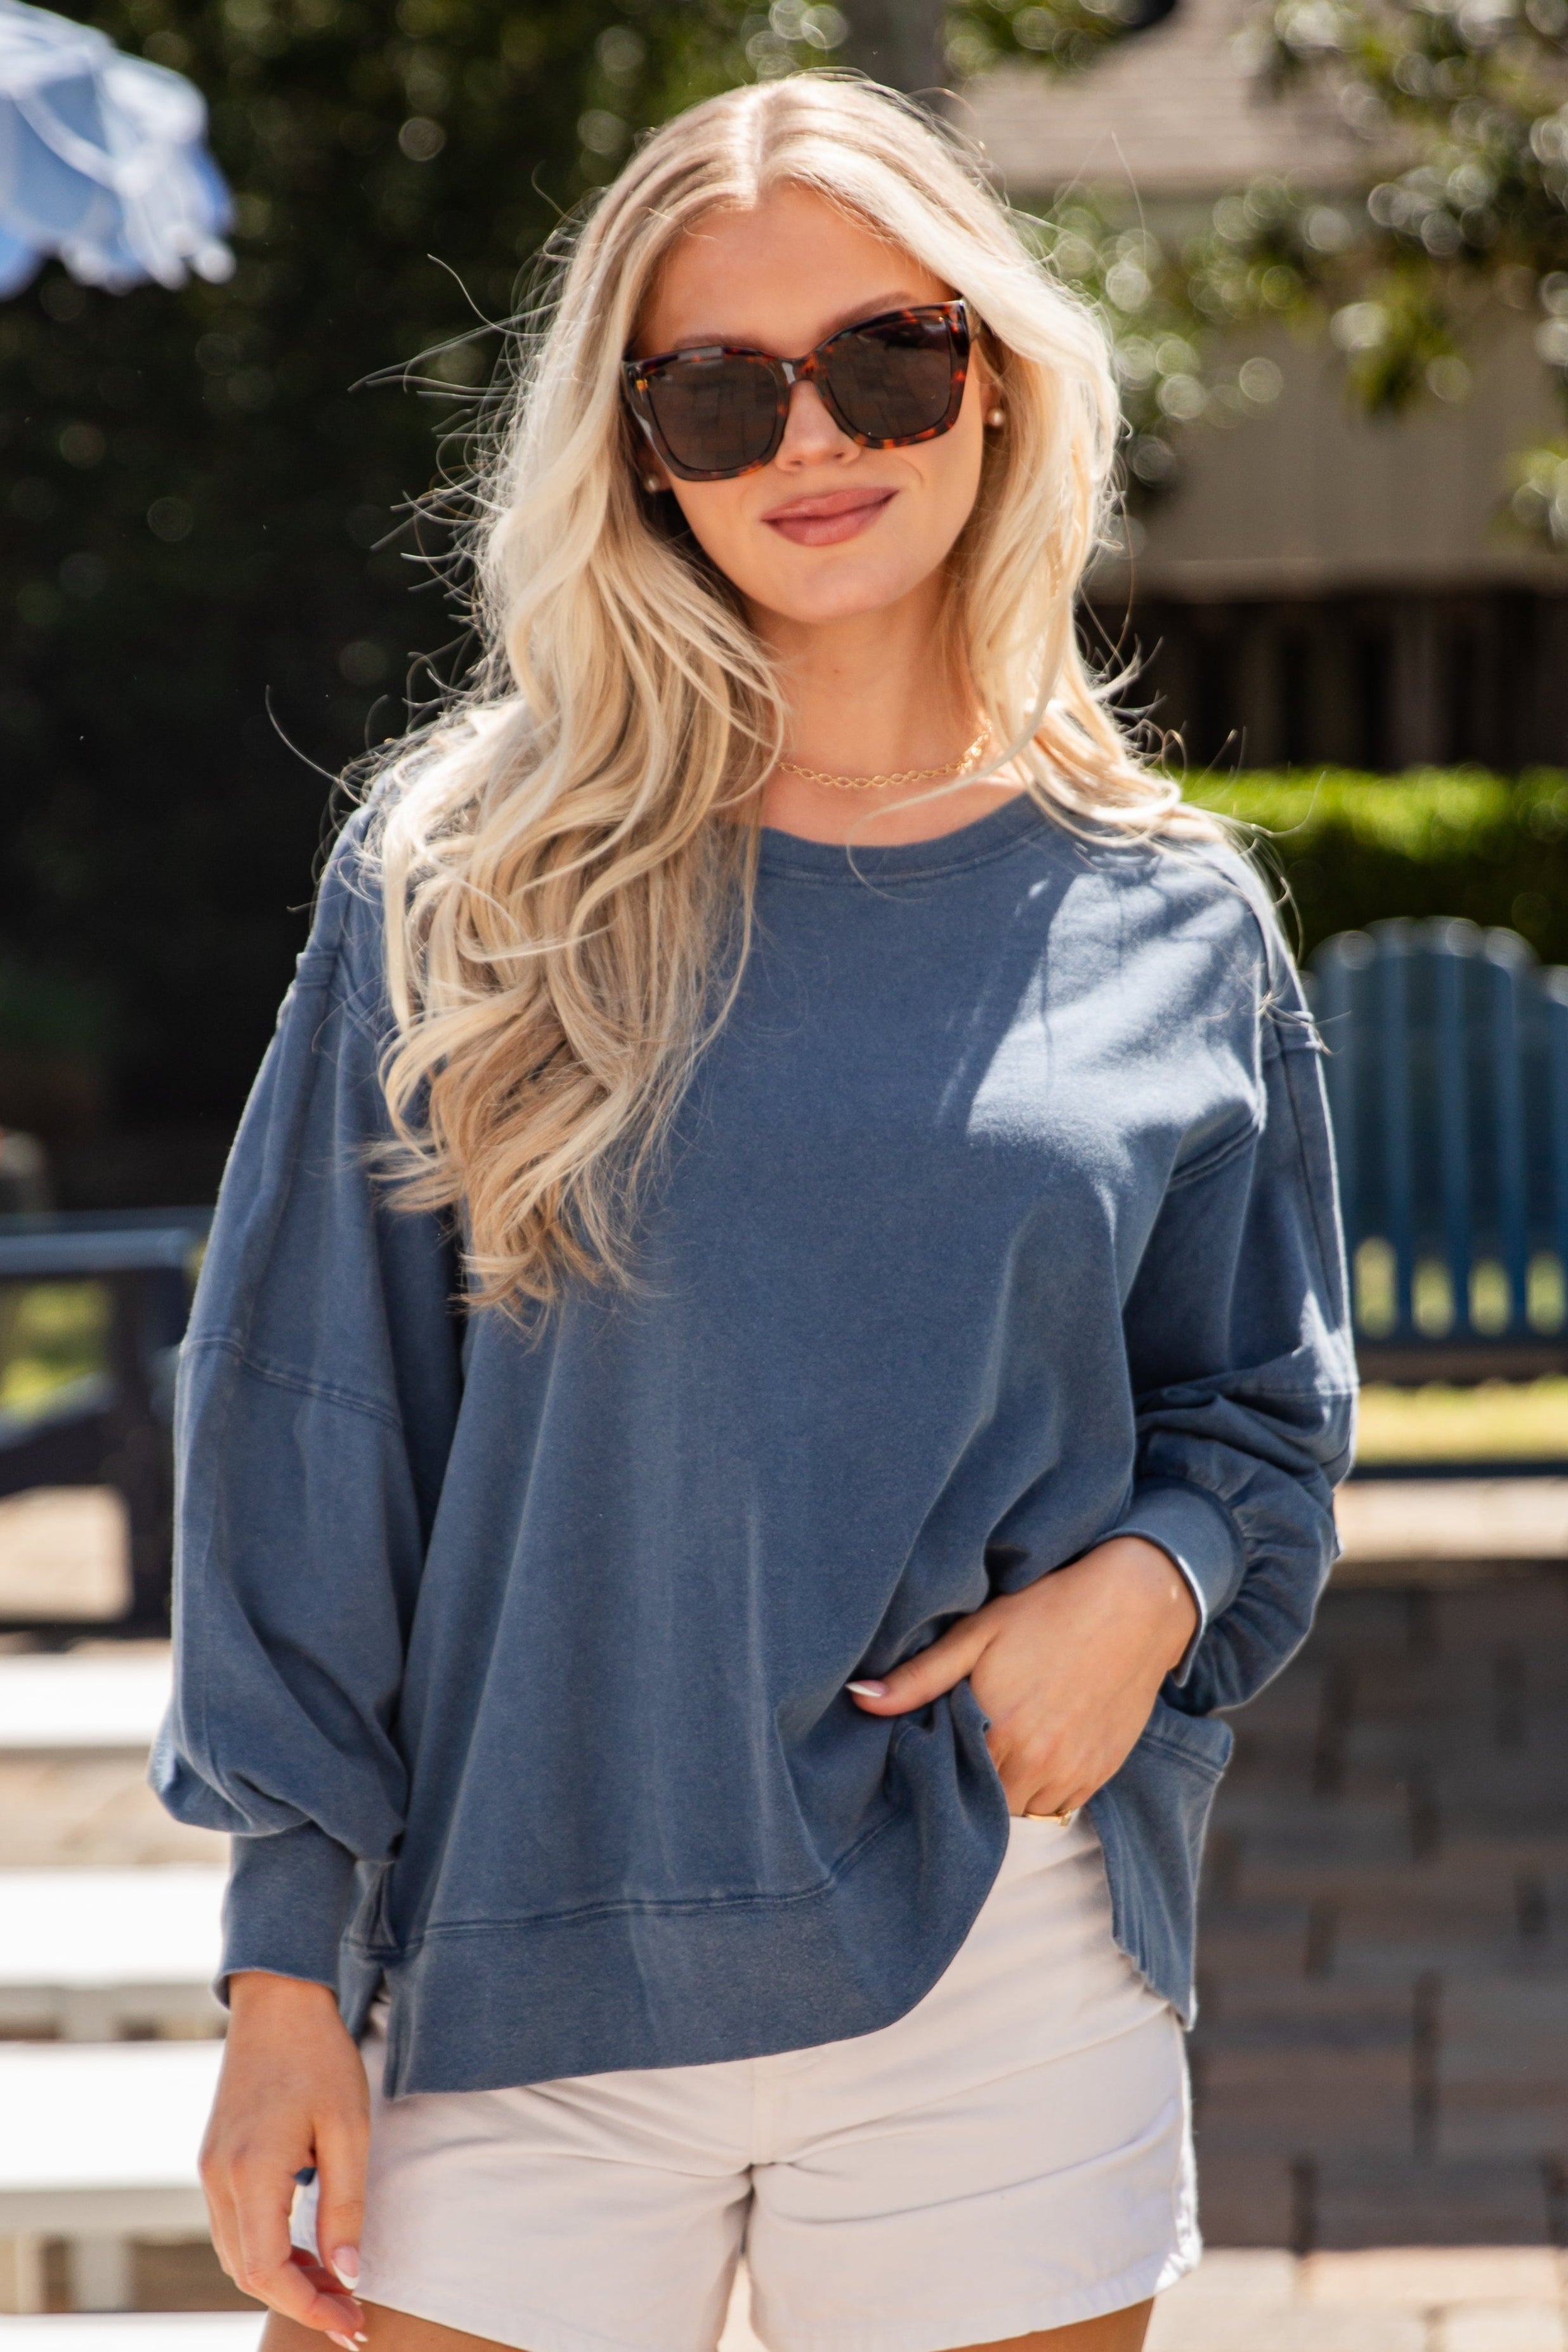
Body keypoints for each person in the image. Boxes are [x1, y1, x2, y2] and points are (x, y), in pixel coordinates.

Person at [152, 71, 1356, 2352]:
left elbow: (1264, 1413)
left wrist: (1158, 1577)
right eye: (718, 389)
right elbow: (308, 1419)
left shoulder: (1172, 910)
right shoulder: (462, 879)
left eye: (885, 356)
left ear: (992, 381)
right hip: (509, 1975)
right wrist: (282, 1963)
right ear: (638, 450)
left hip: (1001, 1961)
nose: (814, 436)